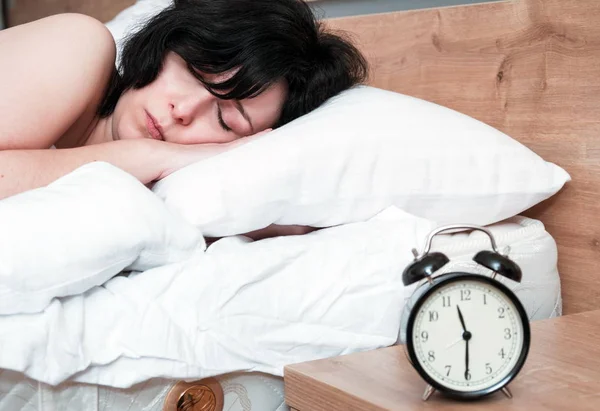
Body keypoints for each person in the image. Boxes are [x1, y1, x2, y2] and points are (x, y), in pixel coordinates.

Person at [0, 0, 368, 203]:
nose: (184, 110)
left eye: (226, 121)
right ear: (164, 44)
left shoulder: (172, 200)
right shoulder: (77, 45)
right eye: (194, 72)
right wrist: (147, 156)